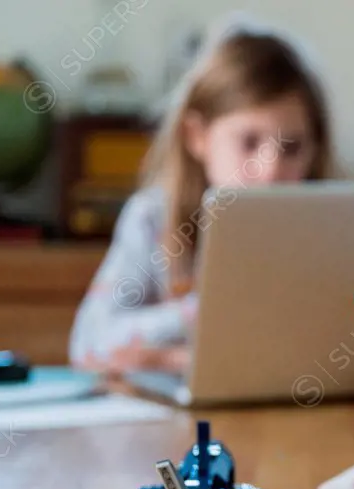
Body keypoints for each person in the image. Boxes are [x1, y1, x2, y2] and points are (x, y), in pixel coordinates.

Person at [68, 16, 332, 375]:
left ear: (315, 149)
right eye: (248, 142)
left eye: (292, 147)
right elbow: (88, 342)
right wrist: (203, 314)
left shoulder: (330, 231)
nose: (270, 170)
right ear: (197, 137)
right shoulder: (152, 220)